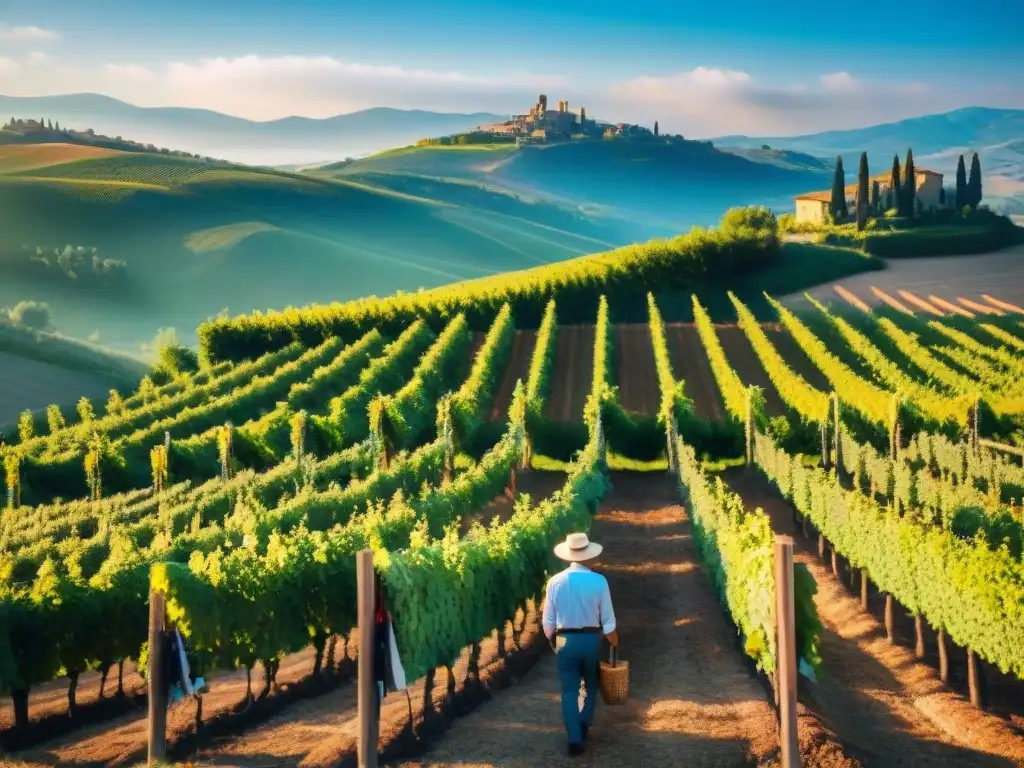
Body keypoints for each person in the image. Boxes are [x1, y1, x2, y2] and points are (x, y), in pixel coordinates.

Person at [542, 531, 618, 757]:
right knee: (591, 685)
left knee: (568, 691)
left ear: (567, 556)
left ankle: (574, 740)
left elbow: (548, 622)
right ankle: (584, 722)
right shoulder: (599, 581)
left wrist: (553, 640)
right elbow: (609, 622)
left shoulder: (555, 582)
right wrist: (614, 641)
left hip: (565, 640)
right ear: (589, 556)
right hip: (590, 640)